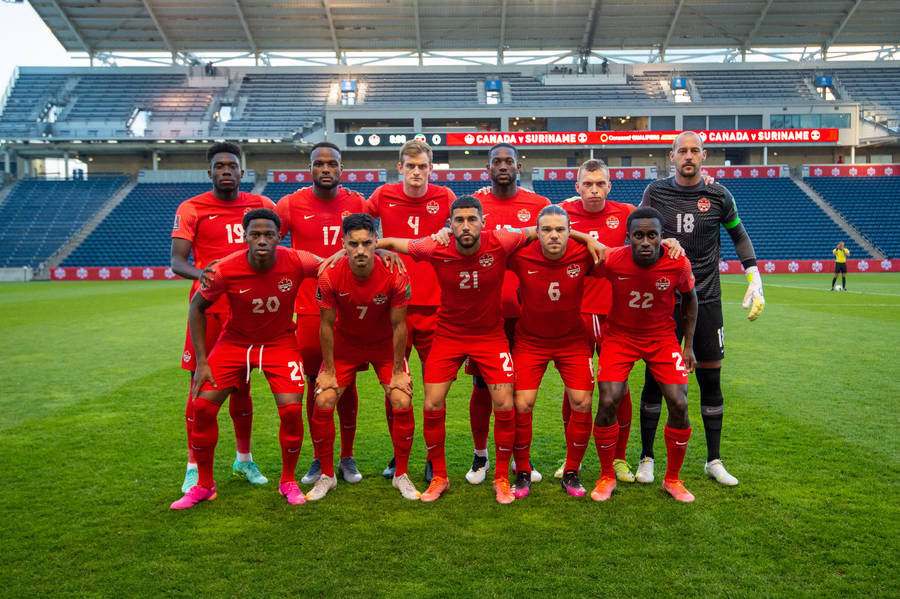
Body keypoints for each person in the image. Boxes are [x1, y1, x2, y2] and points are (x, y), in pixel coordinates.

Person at [376, 195, 603, 504]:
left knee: (506, 404)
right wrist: (360, 249)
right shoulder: (435, 246)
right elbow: (391, 242)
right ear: (450, 224)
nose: (466, 226)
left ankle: (501, 477)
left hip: (490, 336)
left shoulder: (500, 240)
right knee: (432, 404)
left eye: (472, 219)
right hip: (449, 335)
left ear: (483, 222)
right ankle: (440, 476)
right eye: (459, 220)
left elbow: (541, 230)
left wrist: (584, 235)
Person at [170, 209, 321, 509]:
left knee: (291, 411)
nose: (262, 240)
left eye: (268, 235)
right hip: (234, 344)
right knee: (201, 406)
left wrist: (382, 254)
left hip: (280, 343)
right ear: (244, 237)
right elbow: (196, 308)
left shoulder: (298, 260)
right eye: (255, 235)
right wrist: (202, 361)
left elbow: (334, 267)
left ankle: (287, 481)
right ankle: (203, 485)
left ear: (280, 236)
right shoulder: (225, 269)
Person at [638, 131, 765, 487]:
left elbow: (738, 234)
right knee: (654, 379)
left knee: (711, 378)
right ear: (672, 156)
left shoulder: (719, 195)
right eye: (682, 151)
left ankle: (714, 459)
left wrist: (753, 271)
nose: (688, 156)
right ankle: (647, 457)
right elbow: (638, 231)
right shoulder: (655, 192)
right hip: (663, 302)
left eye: (695, 151)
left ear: (704, 155)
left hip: (706, 300)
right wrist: (661, 240)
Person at [170, 142, 274, 493]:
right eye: (220, 166)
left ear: (242, 171)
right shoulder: (192, 208)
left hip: (245, 311)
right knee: (200, 385)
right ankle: (194, 467)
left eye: (232, 165)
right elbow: (177, 261)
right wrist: (203, 275)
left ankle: (243, 459)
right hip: (207, 310)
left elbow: (275, 245)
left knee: (242, 387)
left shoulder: (261, 205)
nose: (226, 170)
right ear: (209, 172)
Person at [306, 214, 420, 501]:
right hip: (346, 345)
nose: (360, 250)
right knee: (323, 398)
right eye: (354, 243)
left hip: (383, 346)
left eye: (367, 243)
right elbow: (326, 326)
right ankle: (327, 476)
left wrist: (397, 370)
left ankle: (401, 474)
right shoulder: (329, 274)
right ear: (343, 243)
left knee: (401, 398)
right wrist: (329, 369)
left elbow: (399, 326)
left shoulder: (395, 272)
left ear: (376, 243)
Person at [275, 142, 368, 486]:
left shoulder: (357, 203)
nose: (326, 169)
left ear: (342, 168)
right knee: (316, 382)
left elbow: (373, 243)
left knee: (347, 381)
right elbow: (270, 241)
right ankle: (319, 458)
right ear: (310, 168)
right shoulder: (290, 204)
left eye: (332, 164)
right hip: (310, 308)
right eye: (319, 164)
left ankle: (347, 456)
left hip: (350, 307)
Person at [592, 207, 698, 503]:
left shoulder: (677, 262)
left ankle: (673, 479)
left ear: (662, 238)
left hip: (661, 338)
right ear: (628, 238)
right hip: (620, 337)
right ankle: (606, 475)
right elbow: (580, 262)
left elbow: (691, 297)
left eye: (652, 235)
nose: (645, 242)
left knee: (679, 402)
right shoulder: (613, 259)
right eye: (638, 235)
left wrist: (687, 345)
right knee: (609, 399)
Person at [365, 140, 455, 479]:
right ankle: (398, 454)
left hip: (435, 307)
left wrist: (448, 231)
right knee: (395, 387)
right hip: (394, 308)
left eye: (423, 167)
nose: (417, 172)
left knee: (435, 390)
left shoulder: (445, 197)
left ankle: (434, 459)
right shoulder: (382, 195)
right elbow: (359, 222)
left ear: (431, 169)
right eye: (411, 166)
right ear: (400, 168)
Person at [466, 143, 550, 485]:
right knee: (483, 386)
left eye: (509, 161)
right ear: (488, 167)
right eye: (496, 161)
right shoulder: (474, 204)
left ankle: (520, 459)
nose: (503, 166)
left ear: (519, 166)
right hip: (485, 313)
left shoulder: (539, 205)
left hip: (526, 313)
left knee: (520, 389)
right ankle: (481, 455)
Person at [507, 205, 599, 499]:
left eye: (560, 229)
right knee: (522, 404)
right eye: (546, 230)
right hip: (530, 341)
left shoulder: (584, 254)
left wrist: (667, 244)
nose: (554, 235)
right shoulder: (521, 254)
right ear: (537, 232)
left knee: (582, 402)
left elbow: (627, 257)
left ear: (570, 232)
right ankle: (522, 471)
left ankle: (572, 470)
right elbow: (489, 245)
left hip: (572, 341)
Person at [559, 159, 637, 483]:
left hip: (615, 312)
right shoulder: (561, 212)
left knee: (619, 387)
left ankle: (619, 458)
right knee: (574, 387)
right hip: (575, 312)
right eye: (587, 184)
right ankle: (570, 458)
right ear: (577, 187)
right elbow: (536, 228)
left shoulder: (626, 212)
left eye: (599, 183)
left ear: (609, 186)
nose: (593, 189)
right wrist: (580, 235)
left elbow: (653, 235)